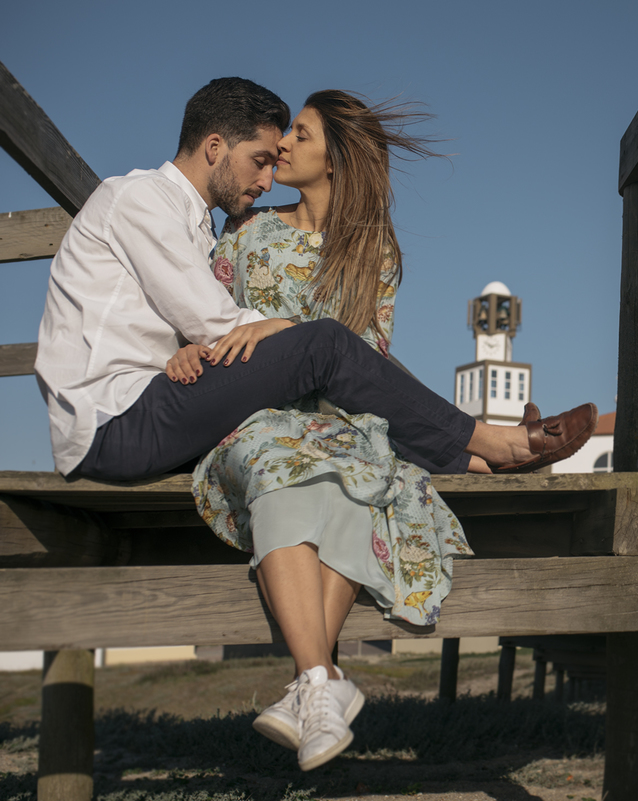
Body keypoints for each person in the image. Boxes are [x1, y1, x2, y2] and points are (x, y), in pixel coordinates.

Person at [35, 78, 597, 769]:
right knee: (325, 345)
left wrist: (195, 347)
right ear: (216, 147)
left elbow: (190, 319)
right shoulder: (144, 201)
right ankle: (490, 444)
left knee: (345, 456)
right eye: (261, 158)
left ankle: (316, 684)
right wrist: (256, 335)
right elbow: (218, 320)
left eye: (286, 150)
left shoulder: (202, 221)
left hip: (174, 403)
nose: (268, 174)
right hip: (117, 420)